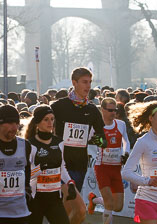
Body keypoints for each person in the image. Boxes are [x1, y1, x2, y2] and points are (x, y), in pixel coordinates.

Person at [51, 67, 107, 224]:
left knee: (72, 209)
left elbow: (103, 141)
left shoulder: (92, 110)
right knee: (67, 207)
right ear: (74, 83)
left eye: (90, 82)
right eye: (84, 82)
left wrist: (89, 140)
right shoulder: (58, 107)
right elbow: (44, 129)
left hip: (78, 166)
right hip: (58, 165)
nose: (88, 86)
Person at [24, 105, 77, 224]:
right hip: (36, 198)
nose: (50, 122)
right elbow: (25, 175)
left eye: (52, 119)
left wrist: (70, 183)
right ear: (37, 122)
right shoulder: (30, 144)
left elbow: (62, 167)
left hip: (54, 198)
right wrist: (40, 168)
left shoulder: (59, 142)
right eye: (46, 119)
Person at [88, 98, 130, 224]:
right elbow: (88, 139)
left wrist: (125, 153)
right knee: (109, 203)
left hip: (116, 168)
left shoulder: (120, 124)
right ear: (102, 110)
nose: (113, 113)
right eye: (110, 110)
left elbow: (126, 141)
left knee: (118, 206)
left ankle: (94, 200)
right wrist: (98, 141)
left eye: (115, 110)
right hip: (102, 167)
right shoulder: (96, 126)